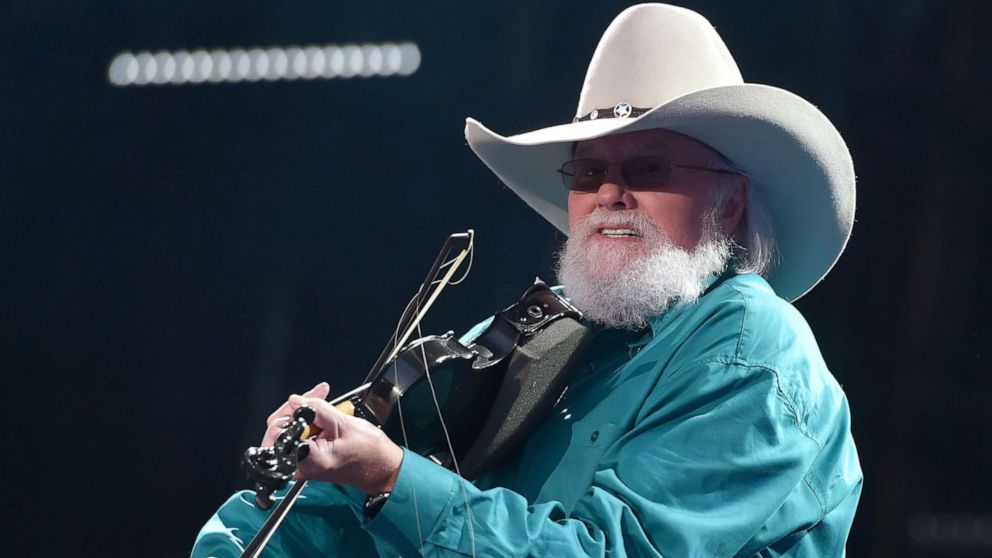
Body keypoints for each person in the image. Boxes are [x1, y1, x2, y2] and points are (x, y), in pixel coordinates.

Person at [192, 4, 862, 557]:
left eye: (650, 168)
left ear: (731, 202)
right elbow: (312, 508)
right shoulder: (543, 325)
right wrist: (304, 471)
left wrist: (393, 476)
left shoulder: (751, 346)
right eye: (589, 172)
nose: (611, 194)